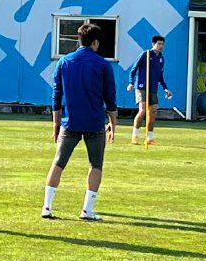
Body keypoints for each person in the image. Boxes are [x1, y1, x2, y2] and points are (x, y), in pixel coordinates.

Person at [42, 22, 118, 222]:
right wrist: (113, 126)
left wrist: (56, 125)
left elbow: (56, 96)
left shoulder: (64, 62)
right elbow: (110, 98)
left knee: (58, 163)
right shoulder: (103, 65)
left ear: (79, 40)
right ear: (95, 42)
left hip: (70, 122)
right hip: (94, 123)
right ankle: (87, 210)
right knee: (96, 165)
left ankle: (47, 206)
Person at [127, 35, 172, 145]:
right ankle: (134, 136)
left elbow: (160, 76)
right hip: (141, 86)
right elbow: (133, 69)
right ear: (153, 44)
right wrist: (131, 83)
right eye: (159, 44)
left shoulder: (161, 58)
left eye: (162, 44)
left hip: (153, 88)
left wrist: (166, 89)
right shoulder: (145, 54)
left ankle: (149, 138)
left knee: (153, 112)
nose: (161, 46)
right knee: (142, 110)